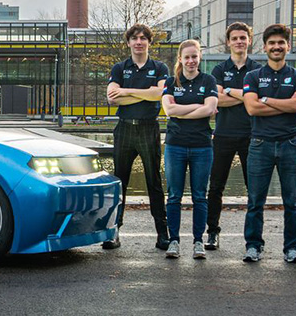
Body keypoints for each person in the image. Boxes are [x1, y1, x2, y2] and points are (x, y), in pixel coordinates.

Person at [240, 24, 296, 264]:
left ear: (287, 46)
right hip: (260, 145)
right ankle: (253, 246)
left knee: (292, 202)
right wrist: (284, 103)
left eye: (281, 43)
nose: (277, 47)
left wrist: (267, 99)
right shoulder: (253, 76)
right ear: (265, 47)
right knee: (255, 201)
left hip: (289, 144)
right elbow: (251, 108)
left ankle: (291, 248)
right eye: (272, 43)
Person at [105, 23, 170, 250]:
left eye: (143, 38)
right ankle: (113, 232)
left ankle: (163, 233)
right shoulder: (119, 68)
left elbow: (160, 94)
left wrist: (128, 91)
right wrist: (145, 94)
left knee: (154, 182)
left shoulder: (160, 67)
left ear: (149, 42)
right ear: (129, 43)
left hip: (148, 128)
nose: (139, 42)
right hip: (124, 129)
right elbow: (113, 99)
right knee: (119, 182)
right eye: (135, 38)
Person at [160, 40, 217, 260]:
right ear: (180, 59)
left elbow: (210, 109)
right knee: (174, 195)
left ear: (199, 58)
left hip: (202, 146)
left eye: (194, 56)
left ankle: (198, 241)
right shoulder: (171, 81)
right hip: (175, 145)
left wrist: (180, 112)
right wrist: (197, 106)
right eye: (187, 57)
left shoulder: (208, 79)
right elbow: (168, 109)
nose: (191, 61)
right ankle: (173, 240)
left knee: (199, 196)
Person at [206, 22, 262, 250]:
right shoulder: (219, 70)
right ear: (228, 42)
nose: (239, 41)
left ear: (249, 40)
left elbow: (257, 102)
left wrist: (228, 91)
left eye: (243, 38)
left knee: (254, 189)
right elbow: (217, 100)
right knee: (216, 187)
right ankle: (212, 233)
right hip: (223, 135)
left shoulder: (258, 69)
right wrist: (247, 96)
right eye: (235, 38)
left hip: (252, 135)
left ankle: (254, 239)